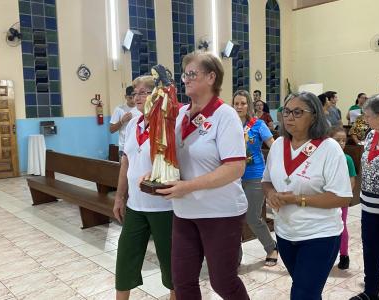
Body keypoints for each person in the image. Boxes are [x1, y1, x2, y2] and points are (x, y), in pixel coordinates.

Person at [155, 51, 249, 299]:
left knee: (223, 282)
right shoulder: (180, 114)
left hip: (220, 212)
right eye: (184, 73)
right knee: (182, 282)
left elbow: (235, 168)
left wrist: (188, 186)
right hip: (184, 212)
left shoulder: (224, 115)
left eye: (192, 73)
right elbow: (173, 156)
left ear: (211, 77)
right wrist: (156, 171)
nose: (185, 78)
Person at [262, 92, 352, 299]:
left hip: (320, 234)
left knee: (302, 294)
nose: (289, 117)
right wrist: (271, 193)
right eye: (286, 112)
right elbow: (266, 181)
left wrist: (298, 200)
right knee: (307, 290)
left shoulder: (329, 149)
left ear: (314, 116)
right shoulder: (278, 145)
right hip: (285, 233)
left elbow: (343, 197)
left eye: (297, 112)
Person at [113, 75, 175, 300]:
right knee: (125, 259)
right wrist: (120, 197)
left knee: (170, 266)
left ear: (157, 95)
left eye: (144, 92)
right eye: (135, 92)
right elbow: (126, 161)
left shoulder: (169, 124)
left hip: (164, 207)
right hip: (136, 206)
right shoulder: (133, 124)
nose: (137, 97)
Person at [350, 94, 379, 300]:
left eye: (367, 115)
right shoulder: (371, 134)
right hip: (369, 207)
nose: (365, 119)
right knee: (371, 250)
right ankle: (371, 292)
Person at [232, 89, 278, 267]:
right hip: (232, 178)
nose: (239, 106)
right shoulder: (229, 124)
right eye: (236, 103)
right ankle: (235, 259)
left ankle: (271, 247)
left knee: (252, 217)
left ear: (249, 105)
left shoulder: (258, 125)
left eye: (243, 103)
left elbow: (273, 146)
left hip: (255, 176)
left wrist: (275, 171)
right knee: (233, 219)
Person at [328, 126, 357, 270]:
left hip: (341, 200)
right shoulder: (325, 158)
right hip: (326, 199)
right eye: (337, 140)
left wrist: (345, 197)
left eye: (343, 140)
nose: (341, 143)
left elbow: (352, 180)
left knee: (342, 226)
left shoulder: (348, 159)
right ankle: (327, 255)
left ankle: (344, 255)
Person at [110, 86, 141, 160]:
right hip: (124, 148)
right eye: (130, 98)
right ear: (125, 97)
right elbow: (111, 130)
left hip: (139, 147)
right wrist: (122, 121)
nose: (133, 100)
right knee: (124, 171)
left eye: (134, 96)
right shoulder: (119, 109)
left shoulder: (141, 108)